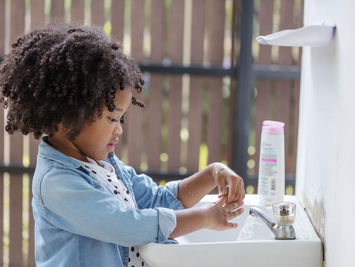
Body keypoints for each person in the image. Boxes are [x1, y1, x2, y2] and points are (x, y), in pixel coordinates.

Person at [0, 24, 245, 267]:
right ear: (66, 116)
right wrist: (203, 217)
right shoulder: (57, 183)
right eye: (112, 118)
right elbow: (128, 225)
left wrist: (213, 173)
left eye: (121, 118)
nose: (119, 129)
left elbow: (156, 200)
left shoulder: (103, 164)